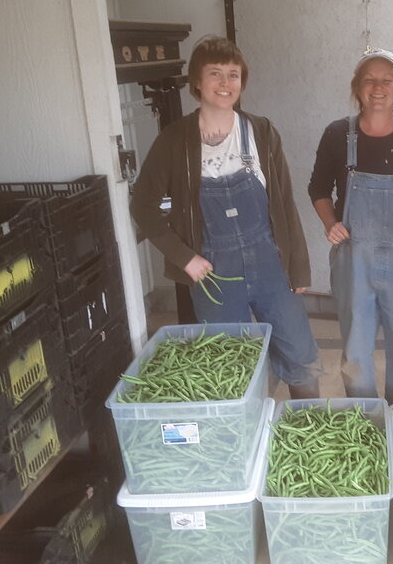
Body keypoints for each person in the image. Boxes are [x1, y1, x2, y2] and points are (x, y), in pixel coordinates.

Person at [131, 35, 321, 399]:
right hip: (214, 271)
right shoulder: (174, 141)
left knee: (300, 355)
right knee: (231, 364)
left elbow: (284, 202)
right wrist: (184, 258)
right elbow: (143, 206)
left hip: (270, 262)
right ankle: (247, 437)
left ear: (242, 83)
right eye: (215, 74)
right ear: (197, 83)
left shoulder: (261, 132)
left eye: (233, 75)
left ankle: (307, 423)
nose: (224, 83)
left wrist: (299, 266)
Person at [308, 48, 393, 404]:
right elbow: (318, 189)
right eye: (369, 79)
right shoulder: (338, 134)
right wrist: (330, 224)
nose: (378, 87)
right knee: (355, 356)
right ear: (357, 87)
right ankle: (365, 428)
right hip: (355, 259)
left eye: (387, 80)